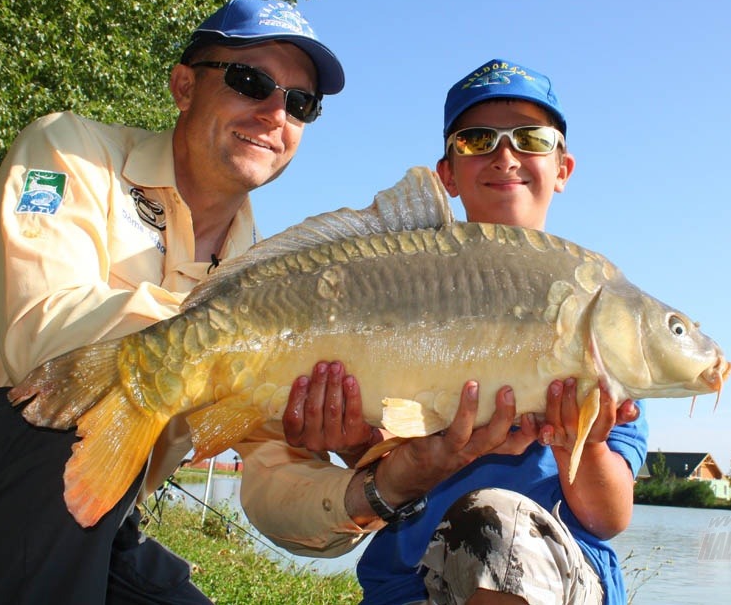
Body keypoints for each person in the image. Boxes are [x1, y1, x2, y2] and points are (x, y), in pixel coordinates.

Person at [0, 0, 344, 605]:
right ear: (184, 86)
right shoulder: (70, 153)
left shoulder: (263, 275)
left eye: (300, 103)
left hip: (87, 516)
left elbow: (271, 465)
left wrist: (379, 488)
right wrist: (242, 338)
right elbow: (42, 332)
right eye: (250, 81)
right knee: (68, 417)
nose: (274, 113)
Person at [236, 58, 649, 604]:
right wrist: (354, 437)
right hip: (407, 580)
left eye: (530, 138)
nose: (505, 155)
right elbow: (389, 450)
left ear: (563, 167)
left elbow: (607, 516)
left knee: (498, 528)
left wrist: (585, 443)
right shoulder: (396, 286)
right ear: (447, 173)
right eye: (478, 140)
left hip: (555, 577)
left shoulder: (600, 315)